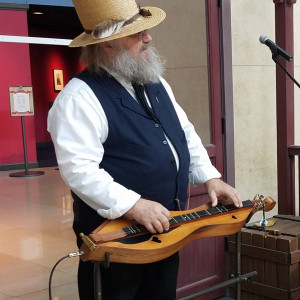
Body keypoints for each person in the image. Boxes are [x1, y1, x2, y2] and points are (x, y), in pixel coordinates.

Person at [47, 0, 242, 299]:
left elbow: (184, 133)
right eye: (137, 34)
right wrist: (133, 205)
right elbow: (79, 170)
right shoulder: (78, 97)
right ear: (108, 43)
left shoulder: (156, 82)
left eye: (146, 30)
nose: (148, 37)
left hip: (164, 232)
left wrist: (209, 177)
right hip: (116, 243)